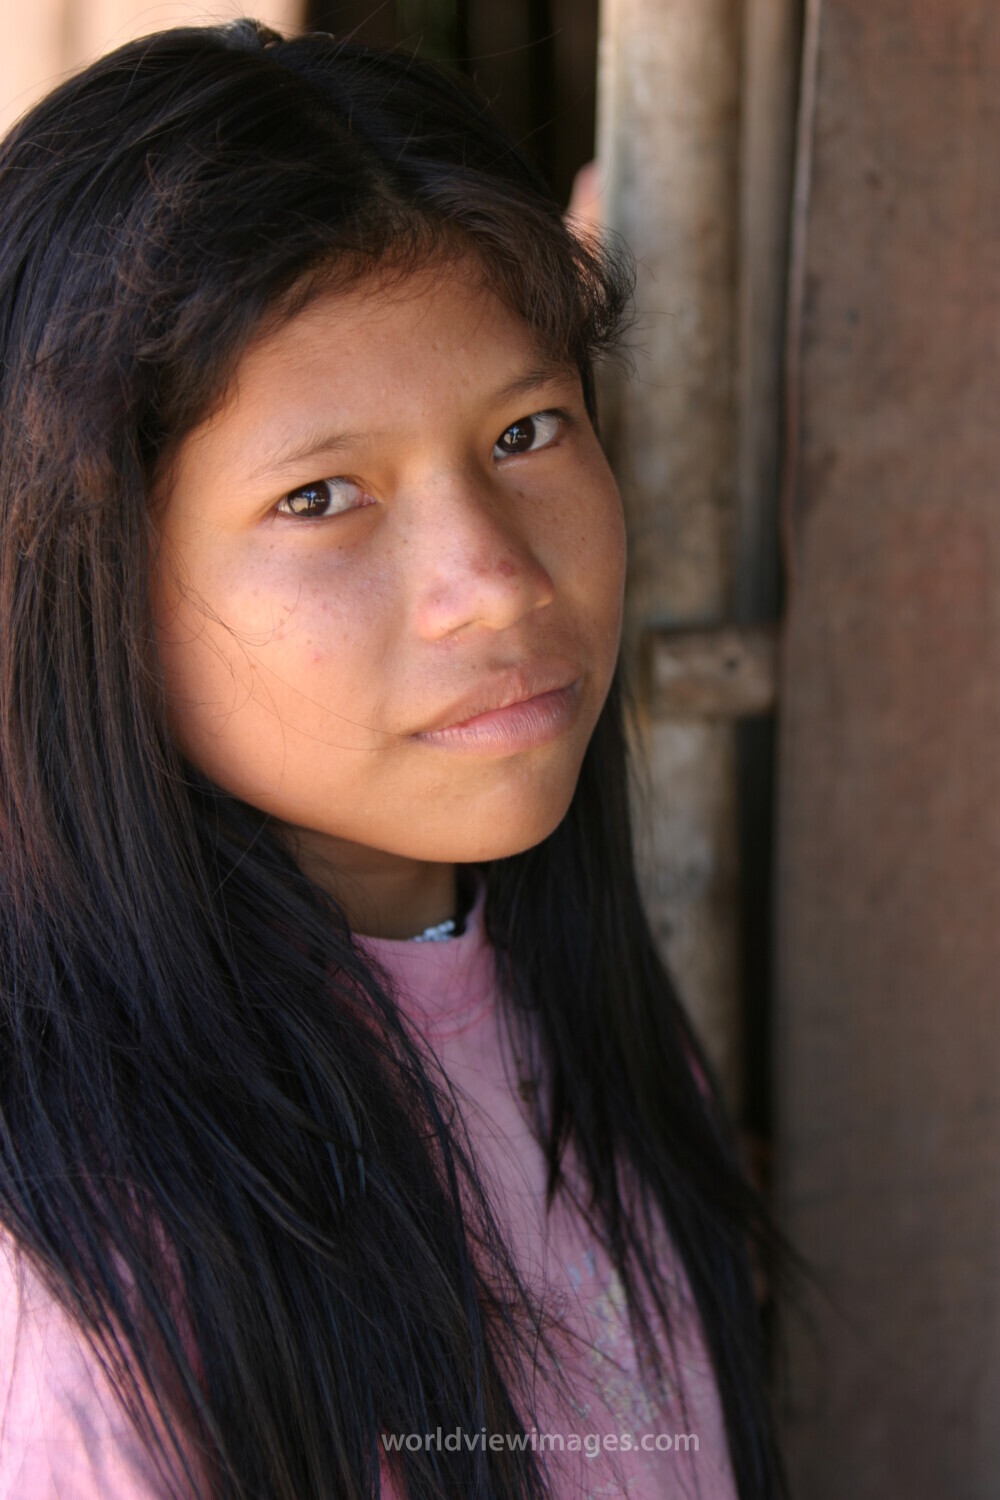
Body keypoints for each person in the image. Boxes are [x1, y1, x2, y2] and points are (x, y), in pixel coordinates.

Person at [0, 20, 800, 1499]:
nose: (494, 583)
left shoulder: (586, 1027)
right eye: (321, 496)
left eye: (528, 430)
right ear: (87, 583)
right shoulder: (91, 1295)